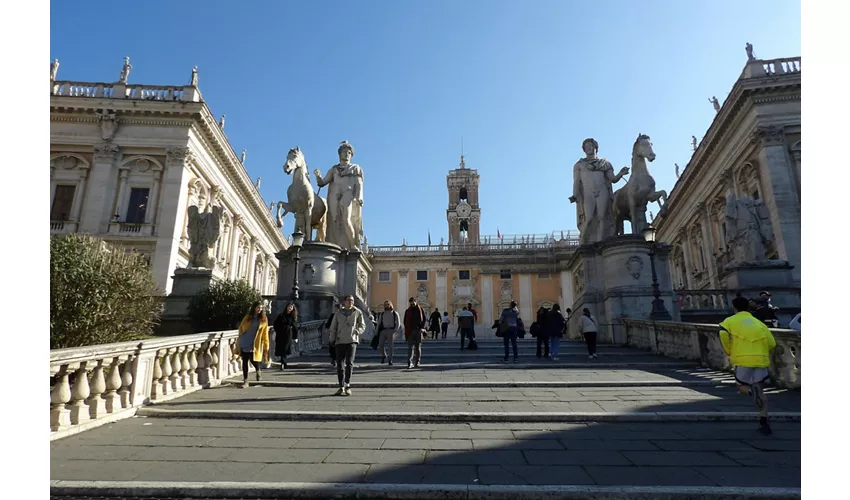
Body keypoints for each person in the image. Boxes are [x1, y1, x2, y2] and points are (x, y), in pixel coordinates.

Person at [720, 296, 777, 435]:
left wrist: (729, 351)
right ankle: (764, 421)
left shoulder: (729, 322)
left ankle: (751, 392)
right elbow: (772, 343)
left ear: (734, 308)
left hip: (742, 359)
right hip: (761, 359)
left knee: (741, 385)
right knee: (760, 389)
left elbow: (722, 334)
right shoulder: (759, 323)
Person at [328, 295, 366, 396]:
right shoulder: (338, 313)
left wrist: (357, 331)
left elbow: (362, 325)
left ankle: (347, 385)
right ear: (344, 302)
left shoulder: (357, 312)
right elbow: (333, 327)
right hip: (340, 341)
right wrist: (332, 339)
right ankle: (341, 386)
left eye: (352, 300)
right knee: (340, 365)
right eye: (349, 300)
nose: (351, 302)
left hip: (352, 340)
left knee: (349, 363)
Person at [235, 302, 270, 388]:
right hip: (245, 341)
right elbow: (241, 326)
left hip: (255, 343)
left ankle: (258, 370)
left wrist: (266, 345)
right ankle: (245, 381)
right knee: (245, 361)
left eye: (261, 308)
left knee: (254, 360)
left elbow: (265, 333)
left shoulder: (264, 319)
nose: (259, 309)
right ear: (254, 308)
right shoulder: (248, 317)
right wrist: (241, 336)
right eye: (258, 307)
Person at [273, 302, 299, 371]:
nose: (289, 308)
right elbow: (275, 324)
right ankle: (283, 362)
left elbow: (295, 327)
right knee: (281, 348)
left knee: (285, 348)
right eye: (289, 307)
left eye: (291, 307)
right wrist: (277, 330)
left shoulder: (293, 316)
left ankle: (283, 362)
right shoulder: (281, 315)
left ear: (293, 309)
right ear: (286, 307)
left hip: (288, 334)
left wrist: (295, 337)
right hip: (280, 333)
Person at [403, 297, 427, 369]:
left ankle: (417, 362)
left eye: (413, 303)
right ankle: (409, 362)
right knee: (410, 347)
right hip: (410, 331)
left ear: (416, 302)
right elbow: (405, 321)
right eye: (411, 303)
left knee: (418, 347)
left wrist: (422, 328)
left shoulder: (420, 310)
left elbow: (425, 319)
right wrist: (407, 328)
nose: (412, 304)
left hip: (418, 330)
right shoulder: (407, 311)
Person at [376, 300, 401, 365]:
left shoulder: (395, 313)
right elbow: (379, 323)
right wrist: (376, 331)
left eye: (388, 304)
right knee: (380, 344)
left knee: (390, 346)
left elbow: (398, 323)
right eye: (385, 304)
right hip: (383, 330)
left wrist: (395, 330)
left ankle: (390, 359)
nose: (387, 305)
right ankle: (383, 355)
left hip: (391, 330)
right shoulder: (382, 314)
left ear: (390, 305)